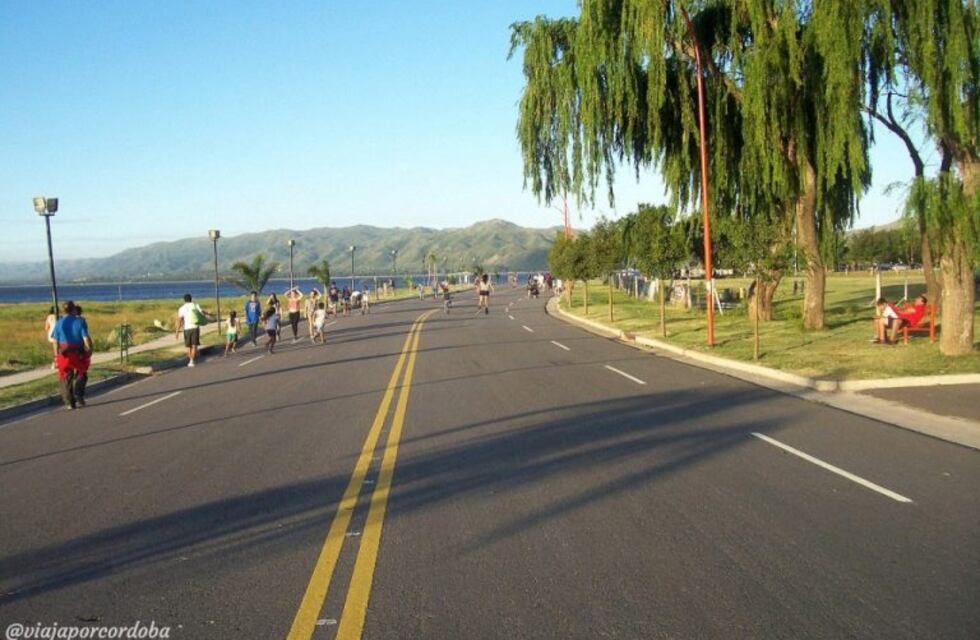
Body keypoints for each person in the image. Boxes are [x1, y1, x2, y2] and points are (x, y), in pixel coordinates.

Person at [52, 301, 93, 409]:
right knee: (82, 372)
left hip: (63, 353)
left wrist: (56, 356)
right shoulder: (79, 322)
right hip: (77, 351)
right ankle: (78, 394)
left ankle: (69, 402)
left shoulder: (59, 323)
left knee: (65, 376)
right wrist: (89, 349)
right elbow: (85, 338)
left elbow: (55, 341)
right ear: (73, 309)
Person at [175, 293, 207, 367]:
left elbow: (180, 320)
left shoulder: (182, 308)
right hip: (195, 327)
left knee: (188, 346)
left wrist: (177, 331)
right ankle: (192, 360)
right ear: (191, 299)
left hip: (186, 329)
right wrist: (207, 314)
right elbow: (202, 313)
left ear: (184, 300)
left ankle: (190, 360)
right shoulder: (196, 305)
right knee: (194, 345)